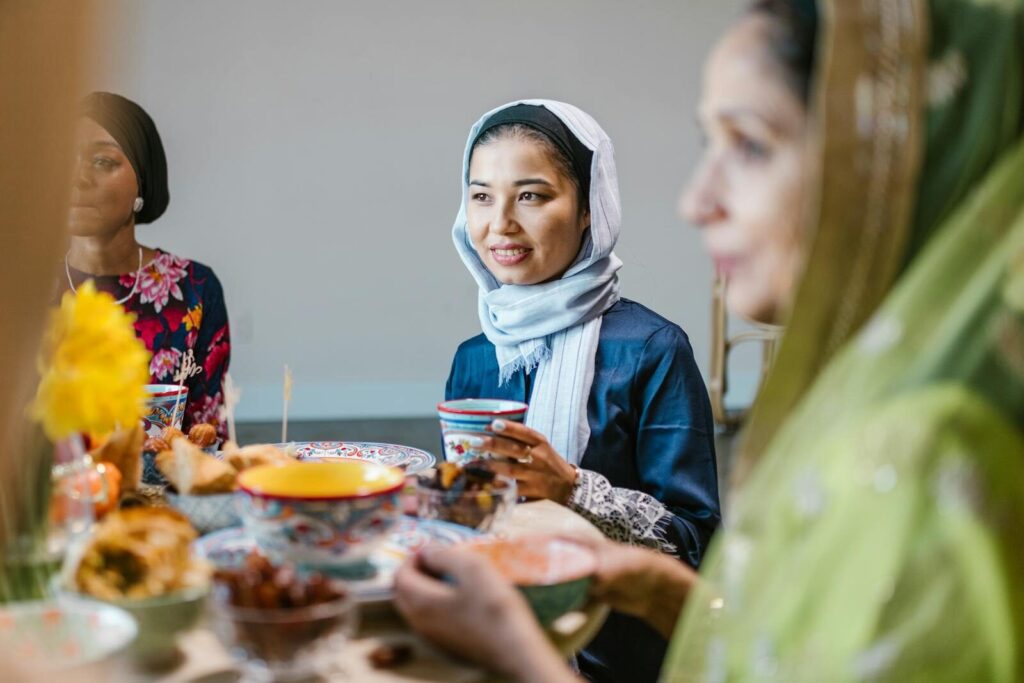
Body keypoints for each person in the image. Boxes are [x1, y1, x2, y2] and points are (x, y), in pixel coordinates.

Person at [396, 1, 1024, 680]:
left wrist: (522, 644)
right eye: (480, 196)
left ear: (888, 164)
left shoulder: (924, 466)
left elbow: (699, 536)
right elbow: (778, 644)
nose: (696, 200)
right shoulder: (855, 405)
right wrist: (661, 590)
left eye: (750, 144)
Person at [444, 100, 721, 682]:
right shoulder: (474, 359)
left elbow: (697, 546)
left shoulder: (651, 350)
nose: (500, 224)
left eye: (532, 195)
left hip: (615, 658)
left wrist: (572, 490)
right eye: (481, 196)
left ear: (590, 208)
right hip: (491, 647)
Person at [66, 92, 231, 437]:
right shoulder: (18, 290)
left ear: (142, 178)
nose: (77, 178)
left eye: (102, 161)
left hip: (160, 489)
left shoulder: (195, 290)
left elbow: (208, 433)